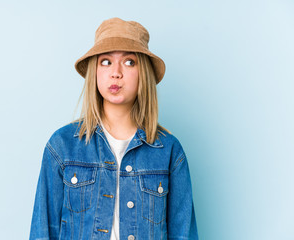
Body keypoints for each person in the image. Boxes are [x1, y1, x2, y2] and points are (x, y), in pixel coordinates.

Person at [29, 17, 198, 240]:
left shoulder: (168, 151)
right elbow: (43, 232)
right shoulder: (62, 146)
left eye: (129, 62)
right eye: (106, 62)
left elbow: (183, 234)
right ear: (95, 72)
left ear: (143, 73)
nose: (115, 72)